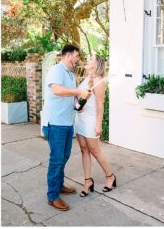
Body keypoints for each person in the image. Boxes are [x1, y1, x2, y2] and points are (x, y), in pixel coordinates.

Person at [42, 44, 91, 211]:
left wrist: (78, 105)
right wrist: (78, 93)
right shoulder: (57, 70)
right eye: (76, 56)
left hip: (67, 123)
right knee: (57, 159)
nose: (78, 59)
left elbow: (71, 98)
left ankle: (60, 185)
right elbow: (56, 90)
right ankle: (53, 196)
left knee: (64, 157)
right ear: (68, 55)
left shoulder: (70, 75)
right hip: (55, 123)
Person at [74, 54, 116, 197]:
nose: (87, 60)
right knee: (84, 150)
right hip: (80, 119)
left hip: (91, 120)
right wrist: (77, 105)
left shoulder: (99, 80)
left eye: (90, 59)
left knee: (95, 150)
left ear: (96, 64)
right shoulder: (86, 79)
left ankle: (110, 176)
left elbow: (100, 104)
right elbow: (77, 96)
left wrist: (98, 124)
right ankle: (88, 181)